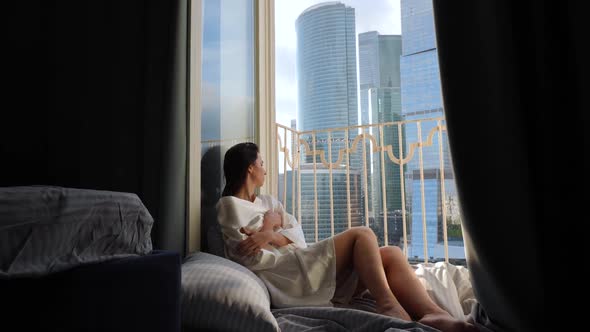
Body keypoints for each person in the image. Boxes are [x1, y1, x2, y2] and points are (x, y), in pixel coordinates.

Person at [216, 142, 478, 332]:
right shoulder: (229, 206)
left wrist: (268, 234)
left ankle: (434, 314)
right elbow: (245, 252)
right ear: (250, 169)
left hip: (297, 260)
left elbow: (296, 233)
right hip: (285, 276)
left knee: (390, 254)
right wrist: (271, 230)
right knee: (362, 235)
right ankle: (388, 306)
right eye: (262, 164)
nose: (265, 169)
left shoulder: (268, 200)